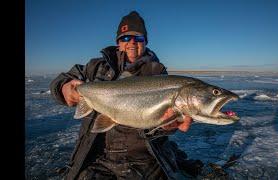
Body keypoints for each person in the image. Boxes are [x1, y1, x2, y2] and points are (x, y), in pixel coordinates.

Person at [50, 11, 203, 180]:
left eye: (138, 38)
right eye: (125, 38)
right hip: (95, 155)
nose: (131, 42)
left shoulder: (157, 72)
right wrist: (64, 88)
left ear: (145, 42)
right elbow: (63, 79)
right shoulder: (95, 67)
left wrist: (164, 127)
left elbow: (160, 127)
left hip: (141, 158)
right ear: (118, 42)